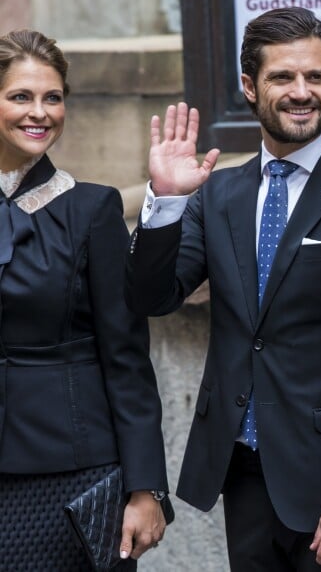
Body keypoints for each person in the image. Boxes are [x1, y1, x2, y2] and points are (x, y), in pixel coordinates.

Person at [125, 7, 321, 572]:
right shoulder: (217, 196)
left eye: (316, 77)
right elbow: (151, 298)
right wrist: (164, 201)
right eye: (283, 77)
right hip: (244, 476)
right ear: (249, 86)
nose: (301, 92)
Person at [0, 30, 169, 571]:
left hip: (74, 474)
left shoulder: (93, 209)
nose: (41, 112)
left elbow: (127, 360)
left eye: (53, 97)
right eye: (21, 96)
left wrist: (146, 489)